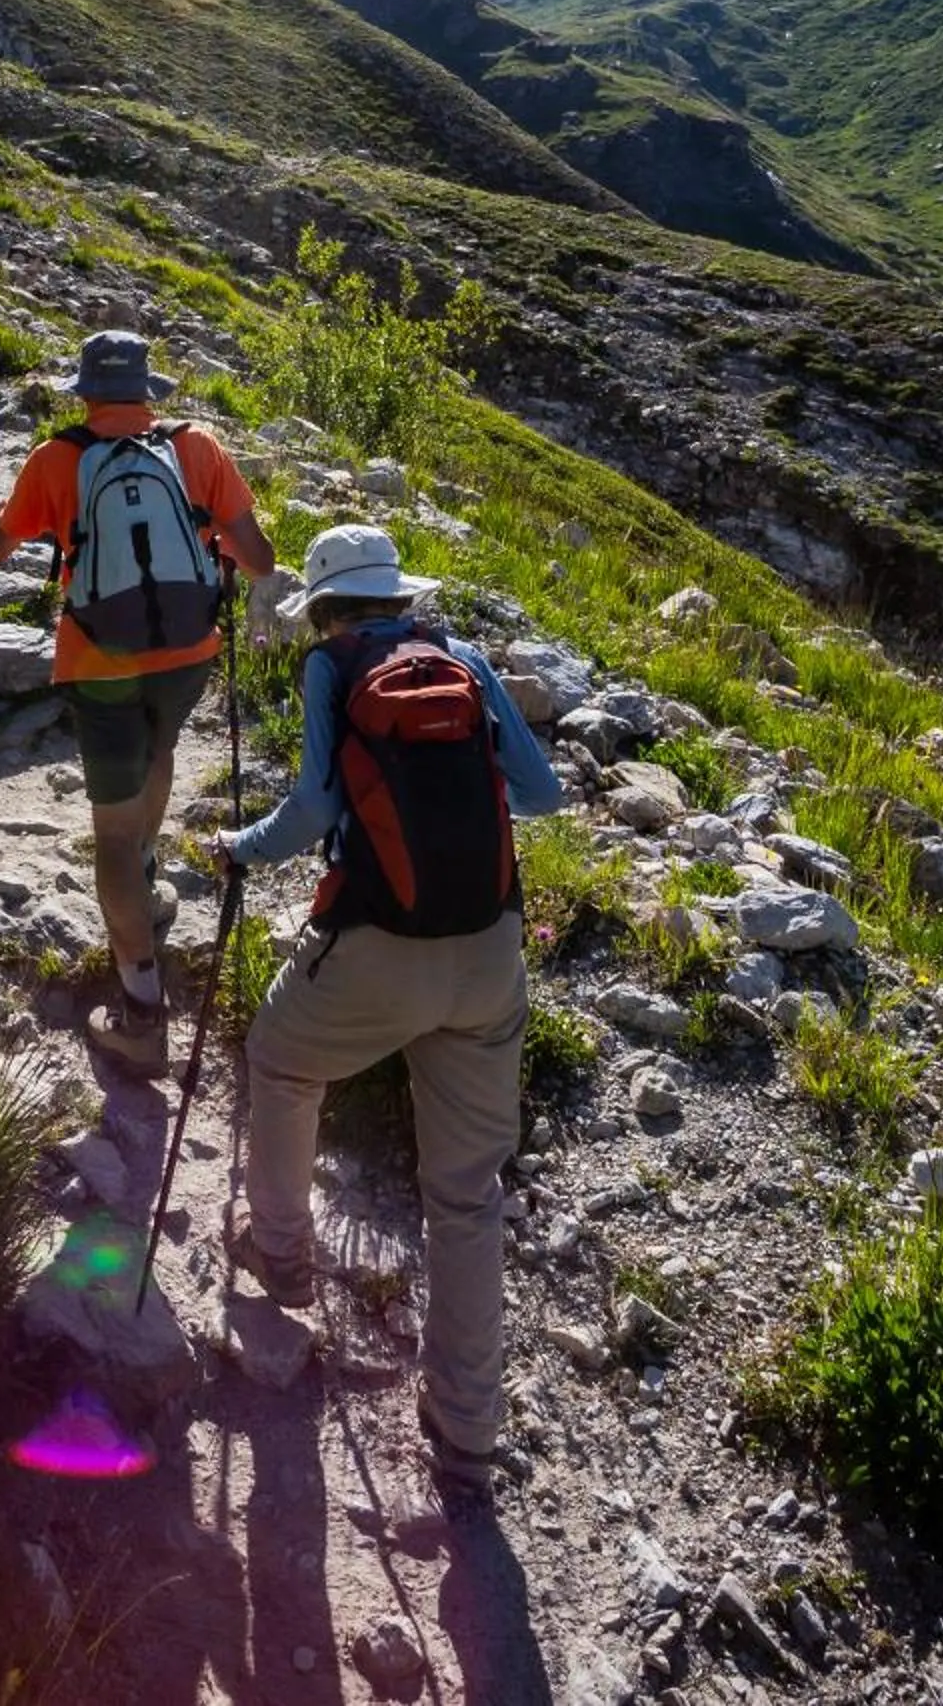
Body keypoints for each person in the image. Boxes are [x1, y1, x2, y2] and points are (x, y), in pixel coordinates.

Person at [216, 521, 563, 1503]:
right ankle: (465, 1433)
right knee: (464, 1194)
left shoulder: (331, 668)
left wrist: (239, 847)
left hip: (376, 946)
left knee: (283, 1062)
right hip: (489, 953)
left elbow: (314, 814)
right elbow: (540, 796)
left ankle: (282, 1258)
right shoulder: (461, 658)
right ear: (398, 595)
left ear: (324, 607)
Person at [0, 330, 276, 1076]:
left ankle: (142, 1009)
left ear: (84, 392)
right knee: (162, 749)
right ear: (148, 393)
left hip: (99, 656)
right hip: (189, 654)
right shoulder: (195, 447)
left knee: (105, 835)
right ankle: (147, 863)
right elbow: (260, 559)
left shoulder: (58, 458)